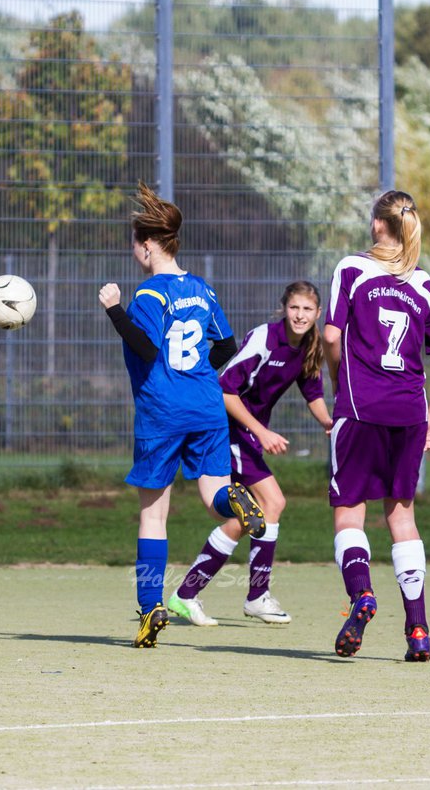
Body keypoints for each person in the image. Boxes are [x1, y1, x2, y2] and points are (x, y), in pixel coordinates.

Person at [98, 182, 265, 648]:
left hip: (162, 411)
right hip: (208, 405)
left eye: (135, 243)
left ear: (148, 245)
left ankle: (151, 605)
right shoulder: (202, 289)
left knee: (154, 515)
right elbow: (227, 347)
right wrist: (195, 376)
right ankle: (240, 503)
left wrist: (114, 310)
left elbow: (146, 345)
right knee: (215, 495)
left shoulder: (149, 295)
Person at [323, 190, 430, 662]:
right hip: (409, 414)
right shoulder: (424, 284)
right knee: (402, 517)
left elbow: (331, 337)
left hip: (360, 410)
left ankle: (361, 595)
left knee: (348, 512)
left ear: (380, 225)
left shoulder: (353, 269)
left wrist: (343, 384)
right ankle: (418, 628)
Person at [165, 281, 333, 627]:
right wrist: (262, 431)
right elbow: (224, 390)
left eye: (307, 310)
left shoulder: (309, 346)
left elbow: (312, 392)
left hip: (245, 433)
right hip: (224, 427)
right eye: (294, 308)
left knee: (248, 516)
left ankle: (186, 594)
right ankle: (255, 596)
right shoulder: (264, 339)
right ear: (284, 308)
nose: (300, 315)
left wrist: (330, 424)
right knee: (271, 503)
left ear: (318, 314)